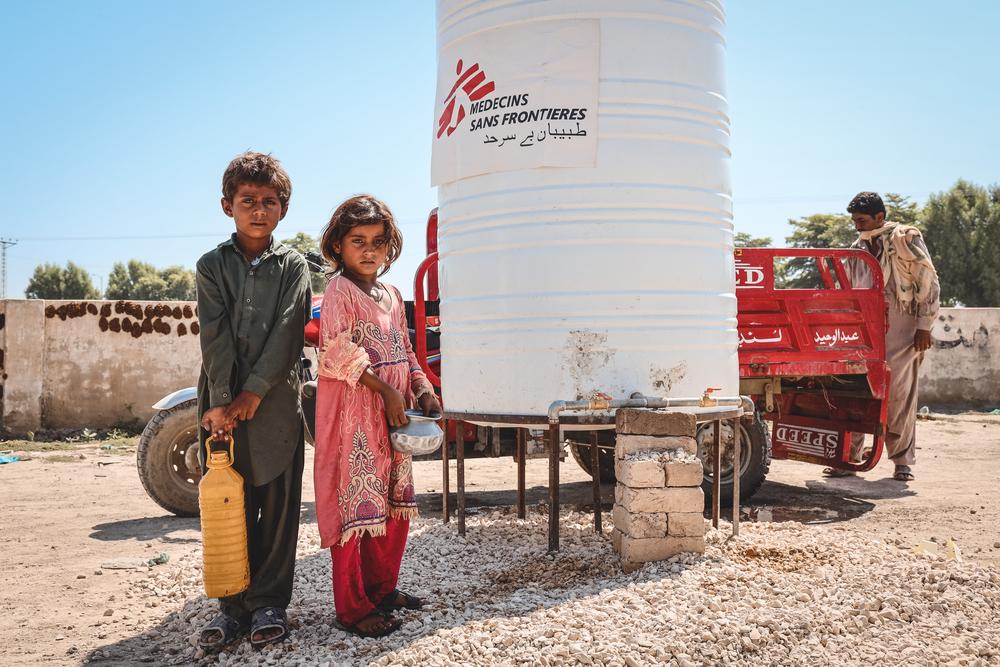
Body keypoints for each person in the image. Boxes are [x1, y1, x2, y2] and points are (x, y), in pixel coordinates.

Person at [195, 152, 312, 650]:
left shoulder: (294, 267)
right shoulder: (211, 266)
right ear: (228, 206)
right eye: (248, 201)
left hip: (277, 405)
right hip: (221, 408)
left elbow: (289, 333)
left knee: (280, 507)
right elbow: (214, 338)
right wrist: (224, 401)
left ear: (283, 209)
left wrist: (253, 394)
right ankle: (231, 607)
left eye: (269, 202)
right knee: (229, 502)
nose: (258, 210)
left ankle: (269, 603)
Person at [313, 195, 442, 637]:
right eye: (358, 241)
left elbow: (405, 350)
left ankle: (383, 590)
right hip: (356, 415)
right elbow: (334, 350)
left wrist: (422, 389)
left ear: (390, 247)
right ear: (338, 247)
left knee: (390, 507)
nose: (369, 250)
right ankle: (352, 608)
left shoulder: (392, 293)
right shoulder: (339, 291)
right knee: (356, 508)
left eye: (379, 241)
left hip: (395, 417)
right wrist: (386, 390)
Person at [823, 192, 939, 482]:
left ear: (879, 217)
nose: (857, 226)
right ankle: (848, 459)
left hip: (902, 325)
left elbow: (928, 280)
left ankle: (902, 462)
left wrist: (924, 326)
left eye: (862, 220)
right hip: (864, 329)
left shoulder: (906, 239)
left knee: (900, 394)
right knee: (857, 391)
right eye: (854, 221)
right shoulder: (857, 249)